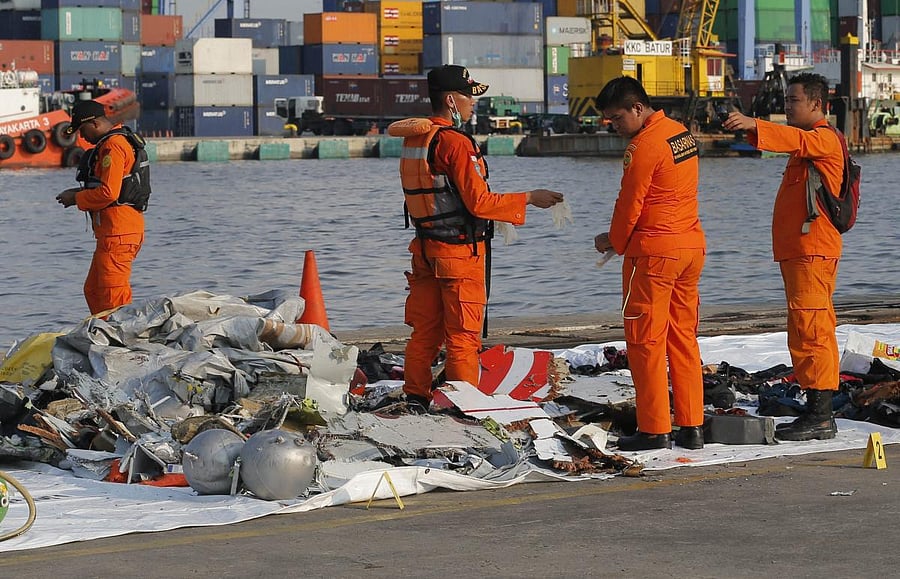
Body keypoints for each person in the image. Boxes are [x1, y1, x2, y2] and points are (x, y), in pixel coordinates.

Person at [387, 65, 564, 413]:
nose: (473, 105)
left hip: (425, 251)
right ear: (452, 101)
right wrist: (528, 198)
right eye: (469, 97)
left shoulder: (416, 139)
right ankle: (461, 407)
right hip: (458, 256)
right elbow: (479, 202)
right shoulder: (455, 143)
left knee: (424, 332)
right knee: (463, 338)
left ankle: (415, 398)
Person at [722, 73, 843, 441]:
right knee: (806, 329)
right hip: (801, 254)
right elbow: (790, 142)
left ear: (817, 105)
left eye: (793, 100)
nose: (786, 106)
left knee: (813, 330)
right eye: (786, 100)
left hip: (812, 253)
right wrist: (749, 131)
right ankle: (815, 410)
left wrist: (755, 124)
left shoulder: (823, 140)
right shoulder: (805, 147)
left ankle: (821, 416)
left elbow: (792, 138)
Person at [593, 77, 707, 451]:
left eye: (615, 117)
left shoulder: (643, 146)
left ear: (637, 109)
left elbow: (630, 204)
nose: (612, 125)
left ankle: (655, 428)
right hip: (689, 247)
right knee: (683, 338)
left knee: (645, 340)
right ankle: (692, 426)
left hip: (655, 253)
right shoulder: (681, 135)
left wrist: (614, 242)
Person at [56, 100, 150, 316]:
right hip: (110, 234)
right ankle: (104, 333)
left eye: (83, 130)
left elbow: (109, 193)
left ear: (95, 124)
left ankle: (122, 341)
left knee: (113, 296)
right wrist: (78, 192)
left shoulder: (113, 146)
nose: (82, 137)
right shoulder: (111, 143)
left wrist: (76, 198)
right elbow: (107, 186)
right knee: (94, 290)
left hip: (119, 233)